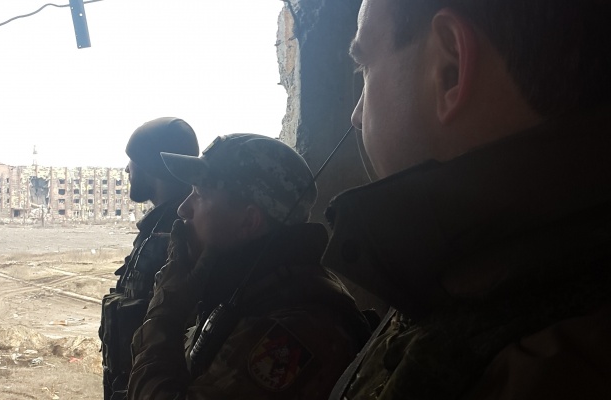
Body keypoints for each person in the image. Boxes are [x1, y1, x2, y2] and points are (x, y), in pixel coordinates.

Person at [324, 0, 611, 399]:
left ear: (450, 69)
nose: (356, 115)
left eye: (365, 66)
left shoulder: (532, 367)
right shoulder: (472, 270)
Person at [127, 133, 370, 399]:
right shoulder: (252, 287)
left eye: (200, 194)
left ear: (249, 222)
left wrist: (166, 310)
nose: (183, 209)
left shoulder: (297, 329)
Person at [99, 117, 199, 400]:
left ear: (150, 165)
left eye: (132, 160)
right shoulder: (158, 227)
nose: (127, 169)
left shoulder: (179, 231)